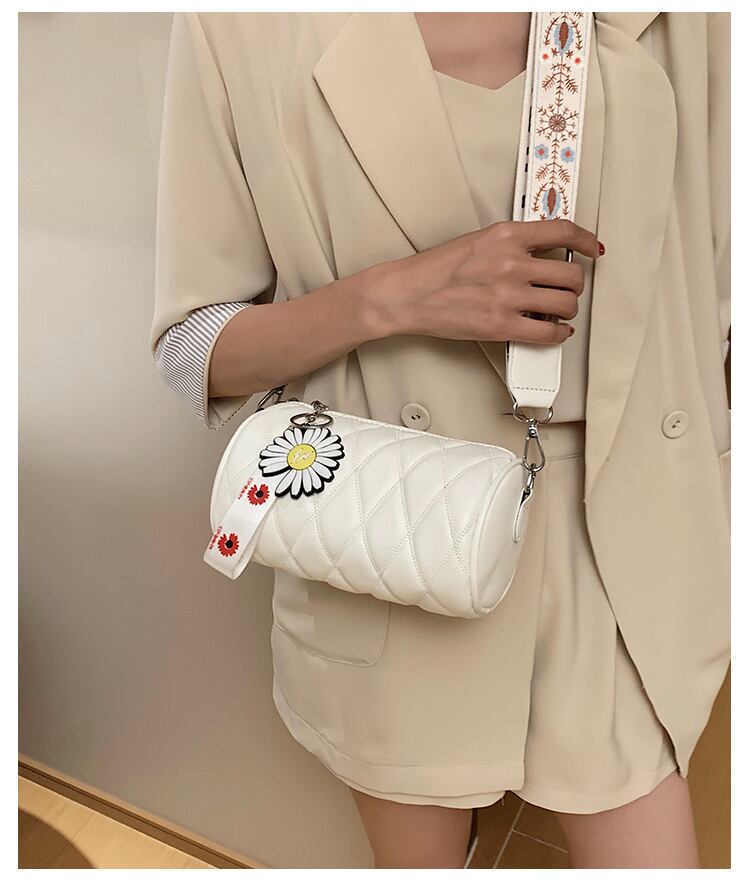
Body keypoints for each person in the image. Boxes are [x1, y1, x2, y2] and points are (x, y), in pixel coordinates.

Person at [149, 11, 730, 869]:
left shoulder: (688, 21)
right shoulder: (240, 27)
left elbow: (720, 293)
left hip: (621, 542)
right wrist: (397, 296)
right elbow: (192, 350)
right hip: (397, 535)